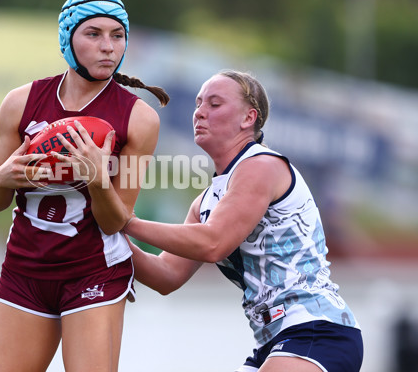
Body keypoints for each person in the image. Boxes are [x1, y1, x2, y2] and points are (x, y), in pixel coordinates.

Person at [121, 70, 363, 372]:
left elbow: (213, 244)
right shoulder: (206, 202)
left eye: (214, 103)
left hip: (316, 331)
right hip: (274, 342)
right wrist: (107, 235)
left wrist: (125, 222)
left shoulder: (261, 166)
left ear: (249, 118)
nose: (199, 112)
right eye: (198, 103)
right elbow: (165, 275)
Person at [0, 0, 169, 372]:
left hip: (93, 271)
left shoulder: (139, 118)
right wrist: (3, 178)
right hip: (25, 269)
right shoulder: (21, 102)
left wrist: (98, 181)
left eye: (118, 36)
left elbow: (118, 221)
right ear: (67, 39)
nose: (108, 47)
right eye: (93, 34)